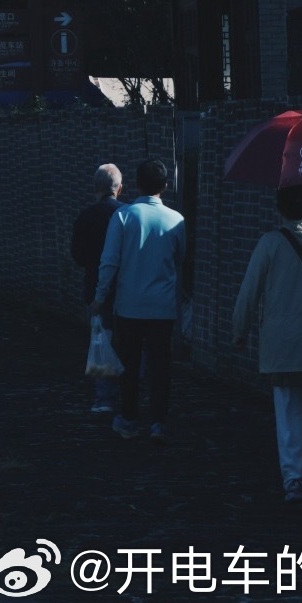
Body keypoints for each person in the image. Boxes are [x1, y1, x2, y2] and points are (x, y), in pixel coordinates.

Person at [231, 181, 302, 504]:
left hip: (281, 344)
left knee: (288, 411)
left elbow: (249, 291)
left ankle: (293, 479)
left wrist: (240, 329)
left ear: (279, 208)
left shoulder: (270, 243)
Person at [92, 157, 185, 442]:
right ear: (165, 186)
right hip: (162, 308)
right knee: (160, 367)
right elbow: (180, 260)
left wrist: (100, 296)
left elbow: (109, 262)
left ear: (136, 184)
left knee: (129, 366)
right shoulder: (177, 220)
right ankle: (159, 422)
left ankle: (129, 419)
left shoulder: (123, 216)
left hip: (129, 306)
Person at [70, 165, 123, 414]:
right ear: (119, 188)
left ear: (95, 188)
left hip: (95, 288)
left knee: (100, 342)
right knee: (128, 341)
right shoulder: (126, 214)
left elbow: (77, 256)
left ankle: (104, 397)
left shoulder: (86, 216)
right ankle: (129, 393)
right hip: (125, 289)